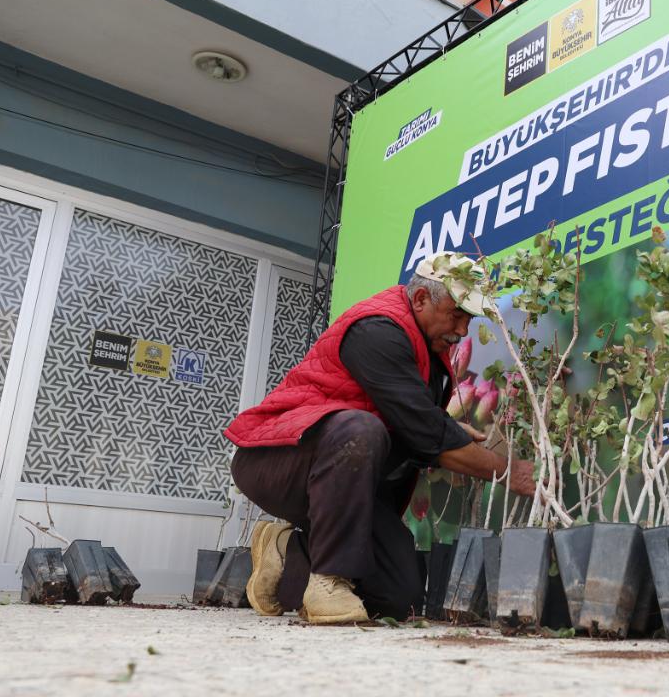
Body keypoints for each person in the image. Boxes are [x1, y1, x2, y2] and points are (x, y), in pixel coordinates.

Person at [223, 252, 534, 624]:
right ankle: (326, 583)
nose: (462, 330)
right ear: (420, 299)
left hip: (343, 481)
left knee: (396, 595)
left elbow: (416, 421)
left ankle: (287, 549)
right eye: (456, 315)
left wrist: (445, 429)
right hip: (276, 460)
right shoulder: (377, 330)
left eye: (468, 319)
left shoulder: (431, 346)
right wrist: (509, 472)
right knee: (360, 429)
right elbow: (424, 433)